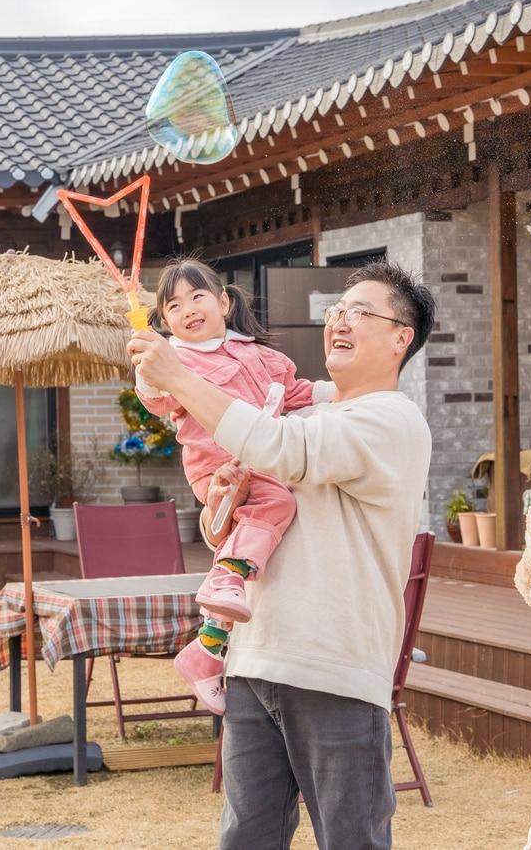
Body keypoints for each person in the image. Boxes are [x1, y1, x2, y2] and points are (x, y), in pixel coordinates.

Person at [128, 259, 435, 850]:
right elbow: (232, 529)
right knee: (246, 838)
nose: (340, 321)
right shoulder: (301, 409)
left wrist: (179, 374)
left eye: (361, 312)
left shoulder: (391, 420)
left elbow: (279, 447)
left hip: (334, 668)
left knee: (351, 840)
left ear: (402, 337)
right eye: (338, 310)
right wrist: (220, 503)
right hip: (252, 659)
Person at [134, 258, 335, 713]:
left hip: (262, 465)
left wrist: (339, 392)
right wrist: (148, 367)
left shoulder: (263, 356)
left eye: (197, 296)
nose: (187, 308)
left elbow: (293, 394)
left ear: (224, 301)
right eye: (173, 306)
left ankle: (205, 650)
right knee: (276, 505)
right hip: (220, 471)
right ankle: (226, 577)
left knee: (268, 513)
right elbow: (156, 398)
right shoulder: (177, 361)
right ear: (165, 323)